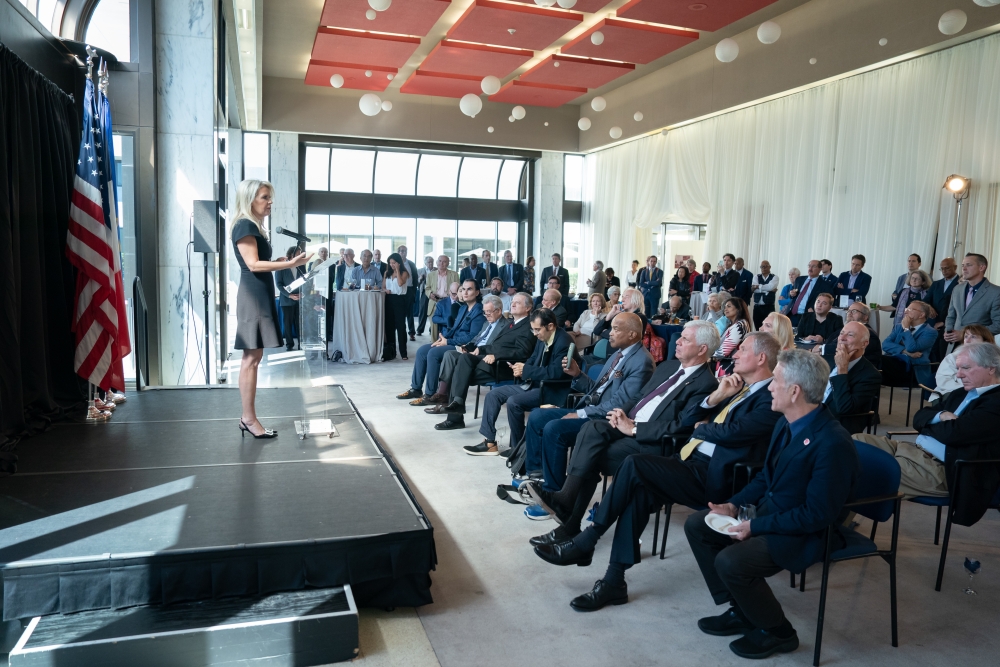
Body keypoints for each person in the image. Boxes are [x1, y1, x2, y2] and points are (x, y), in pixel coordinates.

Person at [532, 334, 782, 612]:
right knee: (638, 488)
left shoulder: (770, 397)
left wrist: (704, 428)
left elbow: (732, 433)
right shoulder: (735, 389)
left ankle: (588, 539)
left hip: (717, 477)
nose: (733, 354)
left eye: (742, 350)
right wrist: (716, 398)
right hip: (688, 460)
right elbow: (691, 419)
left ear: (761, 358)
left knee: (635, 464)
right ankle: (614, 581)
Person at [685, 350, 859, 660]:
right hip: (773, 513)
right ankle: (743, 609)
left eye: (776, 381)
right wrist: (734, 505)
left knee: (731, 561)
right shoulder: (787, 422)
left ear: (795, 392)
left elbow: (818, 514)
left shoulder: (832, 442)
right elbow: (767, 477)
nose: (769, 387)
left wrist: (755, 526)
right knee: (699, 525)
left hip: (804, 532)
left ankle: (779, 632)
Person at [526, 320, 720, 529]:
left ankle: (568, 519)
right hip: (624, 422)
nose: (677, 341)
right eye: (680, 336)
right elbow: (637, 397)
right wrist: (619, 413)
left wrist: (634, 428)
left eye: (685, 339)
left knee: (588, 453)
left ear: (702, 349)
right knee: (591, 428)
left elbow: (681, 426)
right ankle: (564, 501)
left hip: (649, 438)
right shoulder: (668, 366)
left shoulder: (706, 383)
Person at [520, 313, 654, 520]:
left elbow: (619, 404)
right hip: (592, 409)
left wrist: (580, 413)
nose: (609, 333)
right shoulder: (618, 354)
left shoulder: (641, 361)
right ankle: (537, 476)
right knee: (538, 416)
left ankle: (554, 495)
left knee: (555, 429)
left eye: (616, 329)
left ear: (632, 334)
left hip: (606, 420)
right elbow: (596, 390)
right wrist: (577, 375)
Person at [854, 343, 1000, 517]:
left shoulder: (995, 402)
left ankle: (835, 529)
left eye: (966, 368)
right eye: (958, 368)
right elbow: (919, 416)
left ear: (991, 368)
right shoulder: (961, 393)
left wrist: (930, 424)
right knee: (854, 442)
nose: (959, 375)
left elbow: (952, 434)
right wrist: (942, 415)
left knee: (857, 470)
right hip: (913, 451)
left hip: (944, 470)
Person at [231, 179, 312, 438]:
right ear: (250, 199)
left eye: (269, 197)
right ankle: (248, 419)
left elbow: (259, 261)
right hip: (253, 296)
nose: (270, 202)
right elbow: (253, 265)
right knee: (251, 360)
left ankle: (248, 418)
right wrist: (289, 265)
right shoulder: (244, 225)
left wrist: (276, 261)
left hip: (259, 293)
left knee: (254, 358)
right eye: (265, 197)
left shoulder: (252, 226)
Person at [463, 308, 575, 456]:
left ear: (550, 326)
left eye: (537, 330)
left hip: (552, 389)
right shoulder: (542, 337)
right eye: (533, 329)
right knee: (493, 395)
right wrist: (521, 368)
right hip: (534, 384)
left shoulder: (564, 341)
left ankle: (517, 448)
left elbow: (556, 373)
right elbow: (533, 359)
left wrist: (526, 370)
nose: (534, 334)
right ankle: (489, 443)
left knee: (514, 402)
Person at [435, 293, 536, 429]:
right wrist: (481, 349)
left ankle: (455, 417)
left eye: (517, 302)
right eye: (512, 301)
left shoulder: (528, 326)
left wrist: (496, 355)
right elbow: (496, 345)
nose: (512, 304)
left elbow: (523, 352)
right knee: (461, 360)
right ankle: (456, 407)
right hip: (489, 362)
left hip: (503, 367)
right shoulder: (512, 324)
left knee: (457, 371)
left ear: (528, 308)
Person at [398, 280, 485, 400]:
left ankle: (430, 394)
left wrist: (448, 342)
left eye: (469, 289)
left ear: (477, 292)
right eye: (463, 289)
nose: (465, 292)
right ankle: (416, 389)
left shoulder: (479, 311)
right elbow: (453, 329)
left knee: (433, 353)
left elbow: (473, 337)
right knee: (422, 350)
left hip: (464, 346)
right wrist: (442, 339)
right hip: (452, 341)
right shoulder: (463, 308)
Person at [418, 297, 508, 409]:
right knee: (449, 354)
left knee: (454, 364)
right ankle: (442, 394)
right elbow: (476, 339)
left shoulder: (506, 326)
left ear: (498, 311)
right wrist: (466, 347)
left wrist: (480, 349)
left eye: (489, 312)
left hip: (484, 356)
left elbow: (497, 346)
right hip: (472, 352)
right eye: (484, 312)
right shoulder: (486, 323)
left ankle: (446, 400)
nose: (486, 315)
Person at [820, 322, 882, 433]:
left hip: (835, 427)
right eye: (841, 333)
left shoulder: (870, 375)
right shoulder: (825, 361)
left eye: (850, 335)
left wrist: (842, 369)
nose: (842, 338)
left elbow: (844, 408)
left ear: (864, 344)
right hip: (810, 417)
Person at [945, 253, 1000, 344]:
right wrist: (948, 331)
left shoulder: (996, 292)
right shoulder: (957, 289)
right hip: (953, 345)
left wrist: (965, 334)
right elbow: (951, 315)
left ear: (981, 267)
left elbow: (998, 325)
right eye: (963, 265)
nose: (964, 268)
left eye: (968, 265)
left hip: (978, 346)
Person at [881, 300, 938, 386]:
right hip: (894, 361)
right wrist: (905, 351)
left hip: (912, 367)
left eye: (910, 309)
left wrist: (906, 329)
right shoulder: (899, 326)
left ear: (921, 315)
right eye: (906, 309)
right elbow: (885, 344)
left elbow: (912, 348)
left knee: (878, 360)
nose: (906, 311)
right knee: (873, 360)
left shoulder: (930, 332)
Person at [930, 324, 994, 400]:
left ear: (985, 341)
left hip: (985, 394)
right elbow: (943, 381)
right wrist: (970, 390)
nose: (968, 340)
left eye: (973, 337)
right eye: (966, 336)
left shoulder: (993, 358)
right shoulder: (952, 357)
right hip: (952, 393)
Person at [816, 300, 882, 369]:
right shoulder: (844, 330)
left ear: (865, 317)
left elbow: (847, 348)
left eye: (854, 311)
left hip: (855, 371)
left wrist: (821, 348)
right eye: (849, 311)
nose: (849, 313)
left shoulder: (869, 334)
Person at [927, 256, 960, 360]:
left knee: (945, 355)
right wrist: (929, 307)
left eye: (947, 268)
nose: (944, 271)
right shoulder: (936, 284)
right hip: (934, 322)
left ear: (955, 267)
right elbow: (926, 300)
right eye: (942, 269)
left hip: (951, 325)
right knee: (933, 352)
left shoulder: (962, 283)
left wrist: (945, 322)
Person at [274, 246, 304, 351]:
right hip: (287, 300)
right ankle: (289, 344)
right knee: (287, 323)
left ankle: (301, 343)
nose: (300, 255)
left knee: (299, 323)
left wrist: (302, 293)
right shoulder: (282, 266)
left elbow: (305, 281)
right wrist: (290, 295)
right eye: (299, 253)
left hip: (299, 299)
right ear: (292, 254)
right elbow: (279, 284)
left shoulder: (301, 266)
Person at [382, 252, 410, 361]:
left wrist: (397, 270)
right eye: (390, 263)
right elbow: (383, 286)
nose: (392, 265)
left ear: (398, 263)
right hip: (389, 299)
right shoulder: (386, 273)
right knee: (389, 327)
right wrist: (386, 290)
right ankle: (391, 352)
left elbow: (400, 283)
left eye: (394, 263)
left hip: (400, 300)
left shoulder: (404, 273)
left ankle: (403, 353)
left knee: (401, 327)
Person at [425, 255, 459, 340]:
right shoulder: (430, 275)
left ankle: (446, 344)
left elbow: (458, 288)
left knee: (448, 325)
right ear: (437, 262)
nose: (441, 263)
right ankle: (434, 344)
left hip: (448, 302)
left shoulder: (454, 274)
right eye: (440, 261)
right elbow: (427, 288)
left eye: (444, 261)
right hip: (434, 302)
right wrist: (430, 294)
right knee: (434, 328)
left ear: (448, 263)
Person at [786, 260, 821, 326]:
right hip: (792, 314)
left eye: (813, 266)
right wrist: (791, 294)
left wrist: (814, 309)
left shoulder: (823, 285)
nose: (810, 268)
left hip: (807, 316)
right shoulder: (799, 279)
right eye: (809, 266)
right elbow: (792, 293)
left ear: (820, 269)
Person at [397, 245, 420, 341]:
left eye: (405, 251)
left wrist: (414, 291)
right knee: (399, 312)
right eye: (402, 251)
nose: (403, 253)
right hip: (398, 290)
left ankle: (411, 333)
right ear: (398, 252)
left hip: (409, 290)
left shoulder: (411, 264)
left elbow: (415, 278)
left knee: (410, 312)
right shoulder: (395, 264)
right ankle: (400, 332)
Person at [751, 260, 777, 329]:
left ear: (769, 267)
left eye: (765, 266)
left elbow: (771, 287)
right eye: (761, 267)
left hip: (769, 306)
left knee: (769, 327)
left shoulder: (775, 277)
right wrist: (769, 290)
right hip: (757, 307)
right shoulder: (756, 276)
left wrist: (758, 287)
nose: (763, 268)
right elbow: (754, 289)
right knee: (758, 327)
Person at [416, 256, 435, 336]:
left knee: (433, 311)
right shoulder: (420, 271)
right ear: (425, 263)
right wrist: (420, 279)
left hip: (434, 292)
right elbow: (417, 284)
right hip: (424, 291)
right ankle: (420, 330)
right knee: (423, 311)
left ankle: (432, 329)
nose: (430, 263)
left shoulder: (436, 270)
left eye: (431, 262)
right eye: (429, 262)